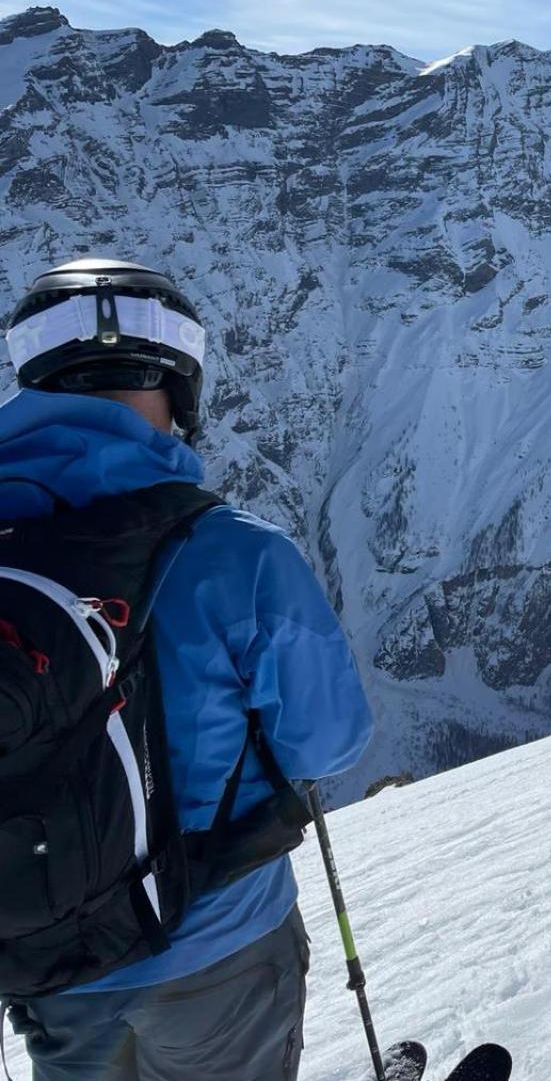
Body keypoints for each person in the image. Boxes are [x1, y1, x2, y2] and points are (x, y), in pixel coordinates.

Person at [1, 258, 373, 1080]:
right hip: (216, 941)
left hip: (49, 959)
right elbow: (328, 743)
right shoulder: (235, 551)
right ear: (179, 390)